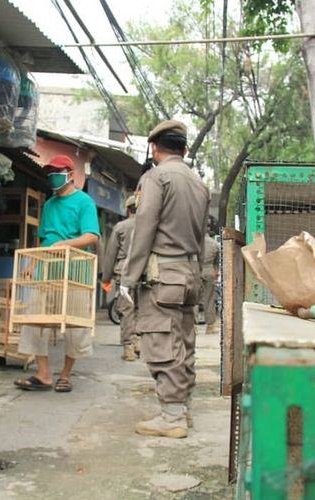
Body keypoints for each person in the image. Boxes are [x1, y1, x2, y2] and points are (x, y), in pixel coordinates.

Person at [121, 120, 209, 438]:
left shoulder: (156, 177)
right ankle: (181, 410)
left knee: (162, 343)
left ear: (154, 149)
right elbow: (201, 236)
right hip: (189, 273)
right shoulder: (199, 183)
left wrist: (128, 278)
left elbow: (144, 227)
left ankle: (171, 417)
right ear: (184, 149)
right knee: (184, 343)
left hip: (162, 276)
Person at [15, 155, 100, 393]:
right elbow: (43, 238)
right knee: (35, 319)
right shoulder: (50, 204)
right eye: (50, 172)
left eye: (57, 171)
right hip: (46, 270)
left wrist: (66, 245)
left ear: (71, 175)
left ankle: (65, 374)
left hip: (75, 272)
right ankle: (43, 374)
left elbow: (92, 236)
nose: (53, 176)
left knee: (75, 324)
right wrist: (32, 263)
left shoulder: (84, 202)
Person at [101, 195, 139, 361]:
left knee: (126, 309)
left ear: (127, 209)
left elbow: (110, 255)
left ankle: (129, 347)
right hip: (145, 271)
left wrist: (106, 278)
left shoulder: (120, 227)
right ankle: (139, 342)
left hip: (124, 272)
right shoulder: (150, 226)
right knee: (142, 309)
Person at [201, 229, 220, 335]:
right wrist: (215, 271)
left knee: (194, 299)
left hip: (196, 270)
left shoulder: (195, 242)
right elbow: (217, 262)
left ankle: (193, 326)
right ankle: (210, 326)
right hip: (209, 271)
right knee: (209, 299)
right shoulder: (214, 243)